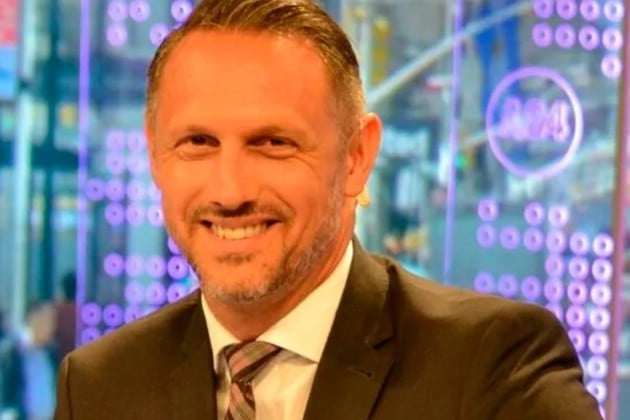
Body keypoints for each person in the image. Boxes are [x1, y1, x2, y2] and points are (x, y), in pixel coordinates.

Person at [55, 1, 601, 419]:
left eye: (273, 143)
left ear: (357, 157)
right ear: (155, 155)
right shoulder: (100, 386)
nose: (229, 190)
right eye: (198, 142)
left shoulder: (495, 366)